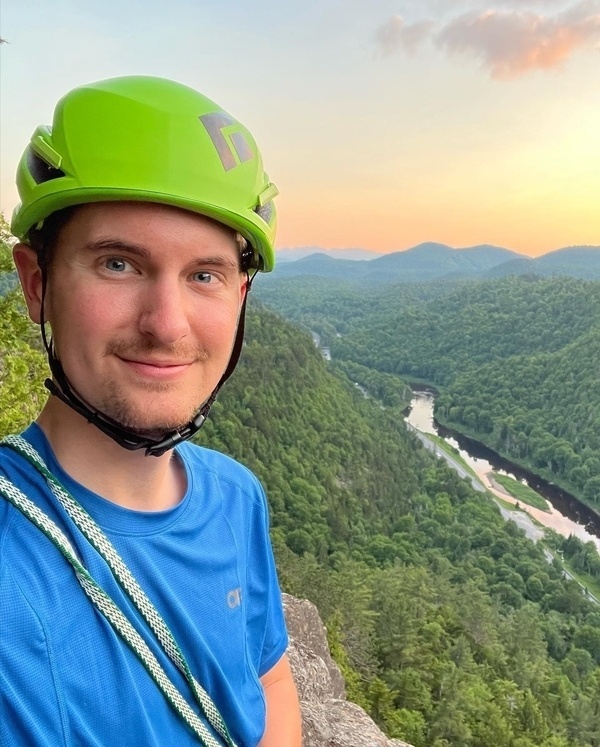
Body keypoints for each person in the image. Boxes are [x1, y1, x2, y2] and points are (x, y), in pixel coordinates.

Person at [0, 76, 302, 747]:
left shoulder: (236, 497)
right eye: (119, 264)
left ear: (239, 298)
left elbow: (268, 677)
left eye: (204, 275)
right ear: (37, 283)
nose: (166, 325)